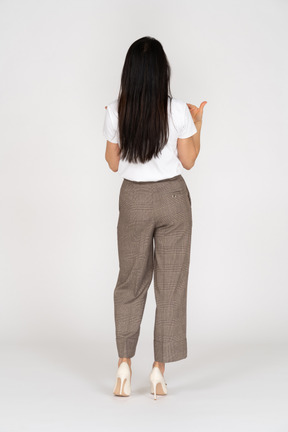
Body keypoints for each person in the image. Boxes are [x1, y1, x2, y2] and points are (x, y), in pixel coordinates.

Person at [103, 36, 207, 399]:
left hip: (133, 199)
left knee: (130, 281)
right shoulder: (178, 110)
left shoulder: (117, 110)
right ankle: (159, 371)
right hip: (174, 199)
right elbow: (190, 161)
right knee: (171, 286)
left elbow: (113, 163)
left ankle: (123, 365)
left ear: (129, 72)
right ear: (163, 72)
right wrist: (198, 122)